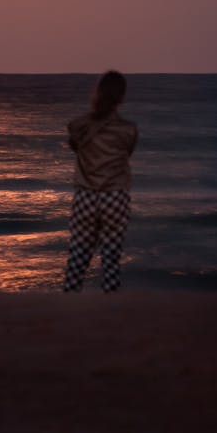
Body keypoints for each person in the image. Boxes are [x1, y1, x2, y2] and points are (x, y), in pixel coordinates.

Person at [64, 70, 138, 292]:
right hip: (115, 197)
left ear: (96, 93)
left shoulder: (78, 126)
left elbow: (75, 147)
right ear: (121, 98)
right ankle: (111, 306)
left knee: (78, 257)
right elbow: (128, 153)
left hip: (86, 195)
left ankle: (68, 305)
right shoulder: (128, 130)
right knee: (111, 259)